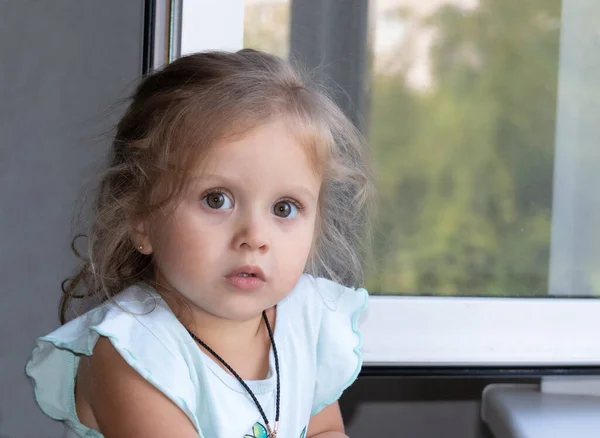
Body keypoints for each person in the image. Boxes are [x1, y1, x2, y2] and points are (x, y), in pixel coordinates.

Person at [26, 49, 373, 438]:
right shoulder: (132, 354)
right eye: (216, 199)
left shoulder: (307, 320)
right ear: (141, 219)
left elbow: (324, 431)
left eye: (284, 207)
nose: (255, 237)